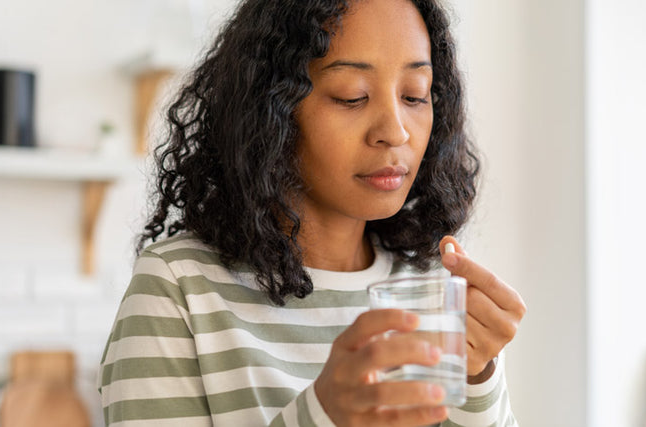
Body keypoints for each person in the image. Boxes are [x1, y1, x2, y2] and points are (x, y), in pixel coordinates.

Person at [98, 0, 526, 425]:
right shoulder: (180, 289)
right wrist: (322, 415)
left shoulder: (430, 288)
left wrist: (477, 376)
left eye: (415, 95)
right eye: (352, 96)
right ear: (271, 109)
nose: (395, 132)